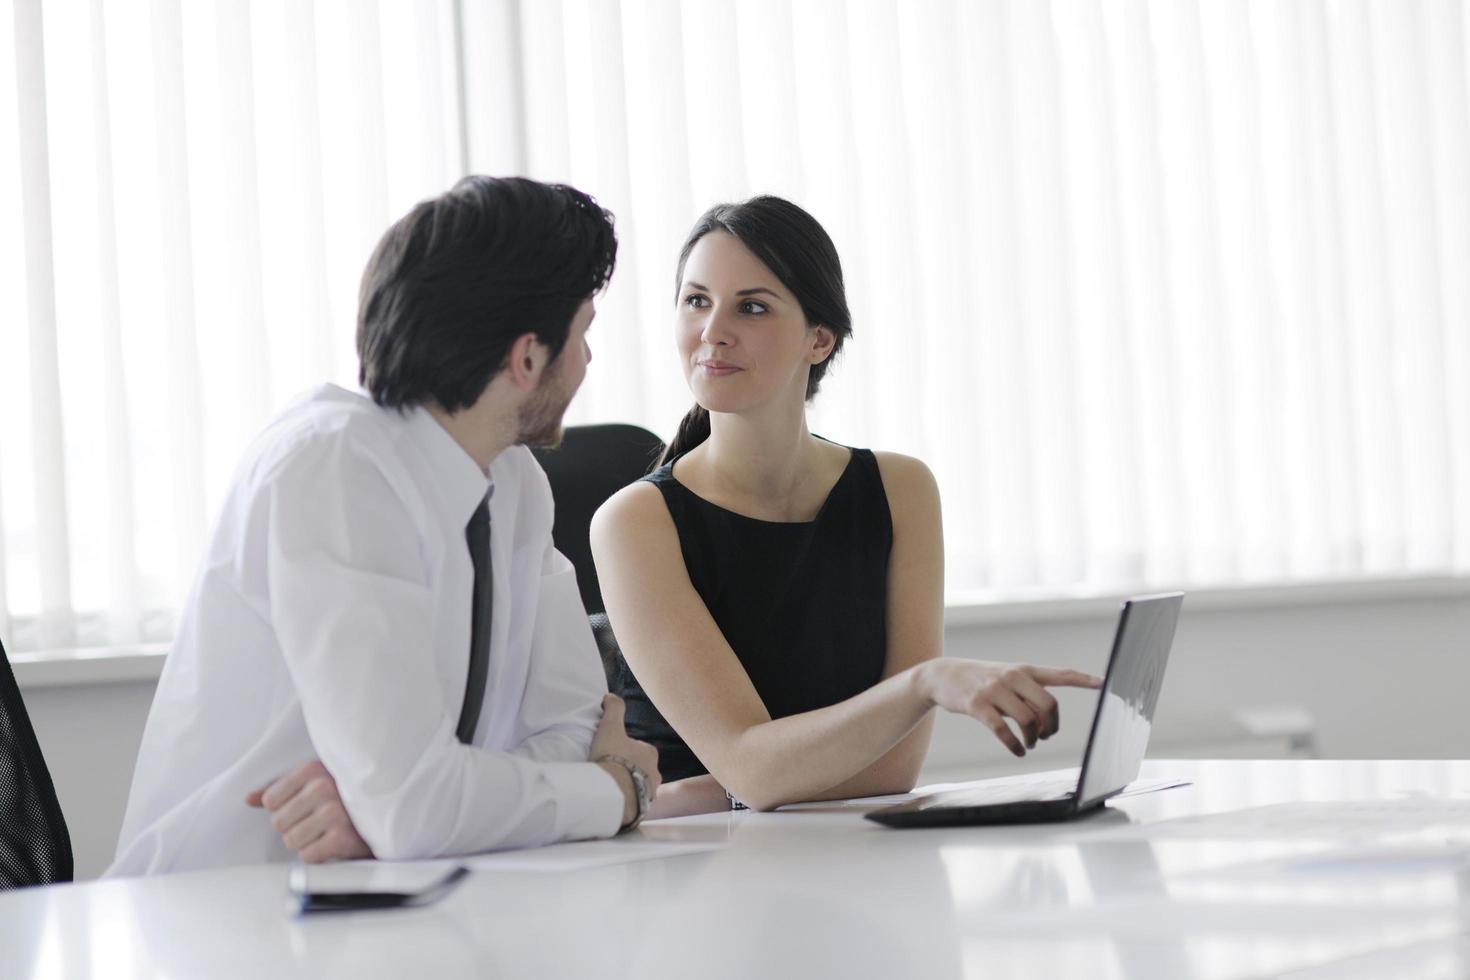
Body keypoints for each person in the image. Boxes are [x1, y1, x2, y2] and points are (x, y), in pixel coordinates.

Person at [109, 176, 659, 876]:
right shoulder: (333, 466)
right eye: (583, 334)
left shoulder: (514, 481)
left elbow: (574, 731)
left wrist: (425, 808)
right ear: (527, 359)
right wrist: (616, 790)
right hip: (226, 914)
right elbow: (423, 809)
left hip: (406, 896)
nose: (588, 360)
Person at [589, 196, 1101, 816]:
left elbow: (894, 768)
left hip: (829, 847)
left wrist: (737, 786)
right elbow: (755, 771)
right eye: (696, 301)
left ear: (820, 340)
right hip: (686, 863)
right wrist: (920, 687)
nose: (712, 331)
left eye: (750, 307)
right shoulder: (635, 521)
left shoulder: (901, 489)